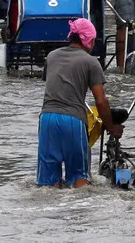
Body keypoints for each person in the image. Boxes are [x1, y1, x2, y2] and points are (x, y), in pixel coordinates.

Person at [37, 19, 123, 188]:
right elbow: (101, 100)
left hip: (47, 119)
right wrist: (110, 126)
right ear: (89, 41)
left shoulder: (52, 56)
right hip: (73, 121)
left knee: (47, 184)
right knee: (79, 179)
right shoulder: (91, 62)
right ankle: (79, 211)